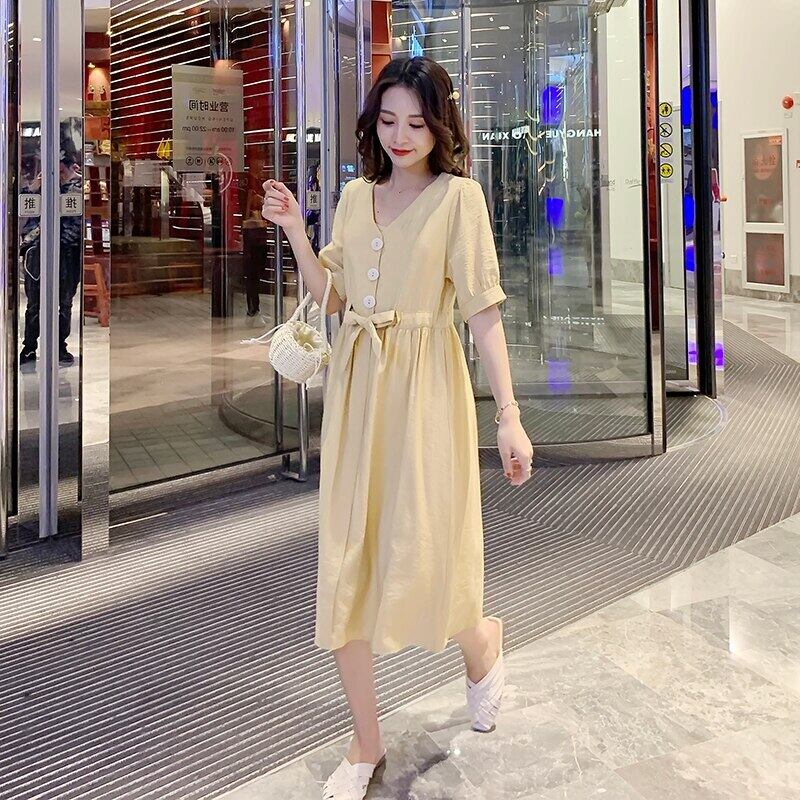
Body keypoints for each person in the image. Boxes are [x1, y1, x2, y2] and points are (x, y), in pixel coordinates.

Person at [261, 56, 533, 800]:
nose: (401, 135)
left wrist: (509, 418)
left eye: (416, 122)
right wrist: (296, 231)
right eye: (387, 121)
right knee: (347, 563)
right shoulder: (355, 197)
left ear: (441, 126)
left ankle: (482, 641)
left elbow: (483, 314)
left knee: (429, 557)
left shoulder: (459, 198)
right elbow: (333, 298)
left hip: (426, 397)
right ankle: (366, 740)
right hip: (358, 395)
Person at [19, 146, 83, 367]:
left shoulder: (76, 188)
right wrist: (34, 189)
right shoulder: (35, 187)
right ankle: (29, 347)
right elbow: (23, 216)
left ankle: (59, 346)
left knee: (64, 302)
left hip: (67, 251)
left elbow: (73, 224)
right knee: (34, 302)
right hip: (38, 251)